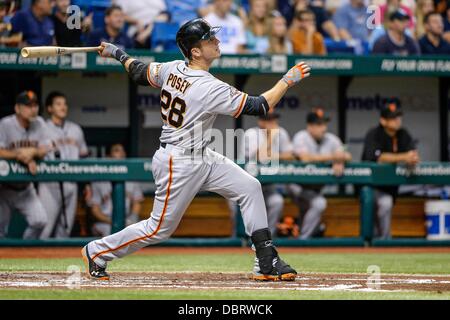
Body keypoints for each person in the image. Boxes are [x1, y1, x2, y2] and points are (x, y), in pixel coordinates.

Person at [81, 18, 311, 282]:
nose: (216, 41)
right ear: (195, 52)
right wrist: (287, 81)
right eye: (209, 39)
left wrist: (117, 53)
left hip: (202, 154)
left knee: (250, 187)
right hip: (178, 161)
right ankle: (97, 251)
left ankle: (265, 260)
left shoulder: (172, 68)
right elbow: (259, 106)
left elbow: (138, 71)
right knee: (159, 229)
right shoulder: (207, 86)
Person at [361, 101, 420, 239]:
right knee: (385, 203)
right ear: (383, 120)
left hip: (390, 187)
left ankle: (383, 241)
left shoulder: (403, 134)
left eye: (398, 116)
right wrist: (404, 156)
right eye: (393, 117)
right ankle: (384, 241)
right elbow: (378, 158)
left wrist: (412, 158)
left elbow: (413, 154)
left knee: (386, 202)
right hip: (369, 186)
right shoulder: (374, 133)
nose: (397, 120)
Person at [290, 108, 351, 239]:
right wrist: (332, 157)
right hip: (297, 185)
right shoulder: (301, 136)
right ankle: (303, 239)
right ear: (310, 126)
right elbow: (305, 158)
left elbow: (347, 155)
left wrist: (340, 160)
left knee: (312, 206)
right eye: (319, 124)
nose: (323, 128)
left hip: (316, 188)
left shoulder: (331, 139)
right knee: (318, 203)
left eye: (324, 124)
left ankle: (303, 234)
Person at [0, 91, 51, 239]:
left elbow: (46, 148)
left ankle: (22, 252)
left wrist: (32, 152)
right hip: (4, 189)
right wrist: (19, 155)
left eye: (35, 105)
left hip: (26, 189)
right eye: (28, 106)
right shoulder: (5, 124)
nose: (33, 109)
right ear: (17, 108)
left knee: (39, 221)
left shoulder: (40, 123)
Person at [38, 91, 88, 239]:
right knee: (45, 228)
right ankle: (35, 259)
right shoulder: (41, 128)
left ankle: (58, 262)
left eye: (64, 104)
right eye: (58, 104)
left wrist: (87, 185)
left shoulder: (75, 129)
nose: (63, 107)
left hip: (71, 182)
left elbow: (84, 157)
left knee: (65, 229)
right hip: (50, 183)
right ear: (49, 108)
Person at [242, 112, 294, 236]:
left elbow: (290, 156)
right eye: (269, 120)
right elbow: (260, 156)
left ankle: (268, 238)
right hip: (247, 186)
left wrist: (274, 155)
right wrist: (271, 137)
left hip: (268, 186)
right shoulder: (251, 133)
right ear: (261, 121)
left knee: (277, 201)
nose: (274, 124)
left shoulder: (281, 132)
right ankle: (241, 239)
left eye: (274, 120)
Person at [88, 144, 143, 237]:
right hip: (104, 222)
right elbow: (95, 210)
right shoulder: (98, 180)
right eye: (117, 150)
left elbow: (137, 203)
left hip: (126, 220)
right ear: (108, 157)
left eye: (123, 150)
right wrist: (113, 222)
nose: (121, 153)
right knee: (111, 233)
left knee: (143, 231)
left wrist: (131, 220)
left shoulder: (131, 178)